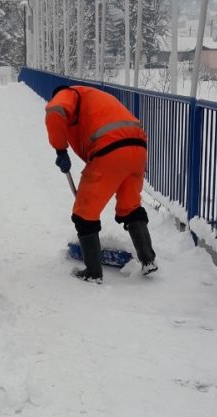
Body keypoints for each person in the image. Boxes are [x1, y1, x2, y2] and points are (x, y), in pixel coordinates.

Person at [45, 85, 157, 283]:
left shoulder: (67, 93)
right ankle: (148, 260)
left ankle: (93, 272)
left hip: (110, 149)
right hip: (138, 148)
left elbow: (55, 111)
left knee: (84, 214)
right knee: (130, 207)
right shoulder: (94, 97)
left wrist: (60, 150)